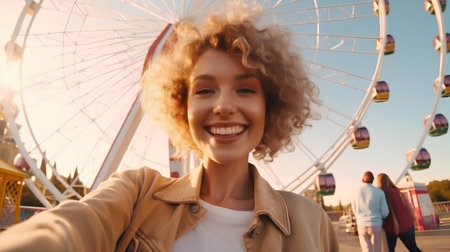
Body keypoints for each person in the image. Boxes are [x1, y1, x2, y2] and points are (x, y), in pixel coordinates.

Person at [0, 3, 339, 252]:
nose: (223, 106)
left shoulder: (310, 221)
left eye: (246, 89)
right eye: (204, 90)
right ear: (182, 106)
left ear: (271, 106)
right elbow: (69, 230)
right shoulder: (138, 194)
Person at [376, 173, 422, 252]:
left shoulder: (380, 194)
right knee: (413, 248)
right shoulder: (398, 191)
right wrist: (413, 220)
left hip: (390, 228)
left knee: (390, 250)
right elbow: (409, 207)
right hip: (407, 225)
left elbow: (381, 212)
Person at [352, 171, 389, 252]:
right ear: (373, 179)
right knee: (376, 249)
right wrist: (378, 217)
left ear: (362, 179)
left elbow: (354, 209)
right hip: (376, 224)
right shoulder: (380, 192)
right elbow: (385, 212)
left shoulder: (356, 192)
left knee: (366, 249)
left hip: (361, 224)